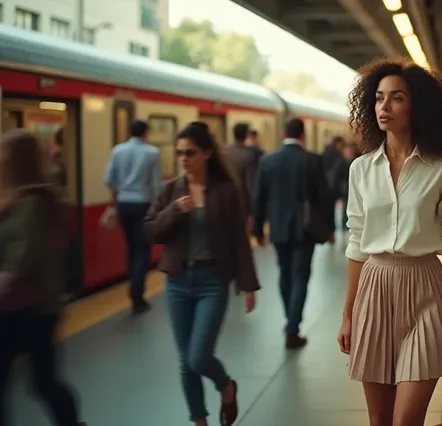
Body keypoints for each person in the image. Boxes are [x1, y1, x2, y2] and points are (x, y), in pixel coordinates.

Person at [336, 58, 442, 426]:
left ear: (416, 105)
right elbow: (357, 243)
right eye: (379, 98)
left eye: (396, 98)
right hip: (375, 289)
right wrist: (347, 313)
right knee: (380, 421)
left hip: (427, 291)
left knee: (406, 421)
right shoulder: (361, 169)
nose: (384, 107)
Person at [143, 122, 260, 426]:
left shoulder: (226, 192)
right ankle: (199, 420)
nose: (183, 159)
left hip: (212, 281)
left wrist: (248, 285)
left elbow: (238, 240)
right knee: (185, 363)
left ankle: (226, 386)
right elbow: (151, 231)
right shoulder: (170, 190)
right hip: (178, 282)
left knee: (198, 356)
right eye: (179, 153)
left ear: (206, 153)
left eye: (190, 153)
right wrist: (175, 211)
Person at [0, 130, 86, 426]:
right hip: (19, 309)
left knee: (43, 383)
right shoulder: (14, 197)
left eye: (3, 154)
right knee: (42, 382)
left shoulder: (34, 202)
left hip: (33, 310)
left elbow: (21, 261)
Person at [252, 117, 334, 349]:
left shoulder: (268, 161)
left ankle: (290, 318)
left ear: (282, 134)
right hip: (305, 230)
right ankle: (292, 327)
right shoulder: (312, 161)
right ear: (303, 135)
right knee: (300, 276)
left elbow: (258, 198)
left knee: (284, 274)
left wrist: (257, 229)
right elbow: (324, 197)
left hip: (278, 228)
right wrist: (329, 228)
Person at [104, 120, 162, 314]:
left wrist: (116, 199)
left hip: (123, 204)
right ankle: (137, 294)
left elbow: (109, 180)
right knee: (143, 249)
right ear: (146, 133)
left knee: (131, 246)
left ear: (129, 132)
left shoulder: (117, 151)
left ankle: (132, 283)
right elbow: (155, 186)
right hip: (143, 205)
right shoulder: (152, 153)